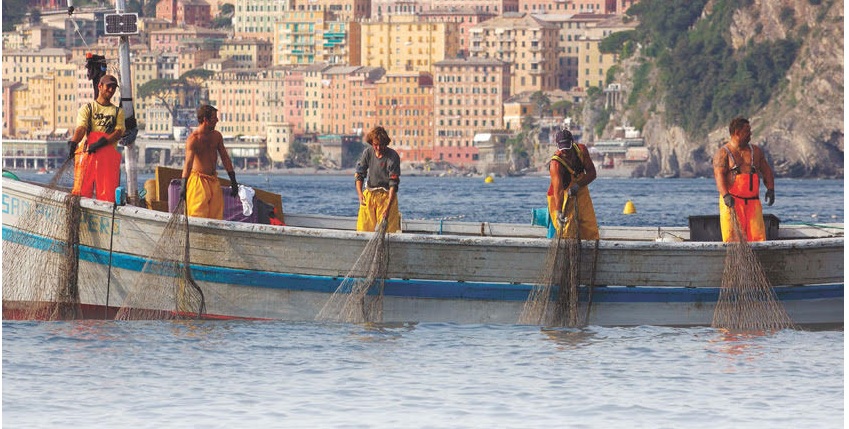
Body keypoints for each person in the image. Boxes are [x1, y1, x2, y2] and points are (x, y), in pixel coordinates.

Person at [713, 116, 775, 242]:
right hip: (732, 203)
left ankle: (756, 260)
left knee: (758, 238)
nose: (750, 134)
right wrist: (725, 195)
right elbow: (719, 176)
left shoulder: (756, 151)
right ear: (737, 133)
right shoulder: (723, 153)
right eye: (747, 131)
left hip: (753, 203)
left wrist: (770, 189)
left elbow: (766, 170)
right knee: (733, 238)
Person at [67, 74, 125, 202]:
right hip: (88, 154)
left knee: (108, 196)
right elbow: (81, 128)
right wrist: (73, 143)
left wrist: (102, 142)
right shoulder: (88, 108)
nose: (111, 90)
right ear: (100, 86)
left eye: (114, 88)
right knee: (80, 191)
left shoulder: (117, 112)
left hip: (107, 158)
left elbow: (118, 132)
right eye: (108, 86)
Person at [179, 104, 239, 219]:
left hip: (213, 180)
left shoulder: (216, 136)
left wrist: (233, 180)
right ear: (205, 120)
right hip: (198, 181)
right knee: (198, 216)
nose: (217, 120)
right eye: (214, 118)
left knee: (216, 216)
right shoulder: (193, 139)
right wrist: (183, 186)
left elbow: (225, 158)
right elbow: (188, 164)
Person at [547, 128, 599, 240]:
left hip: (580, 188)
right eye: (562, 148)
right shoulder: (555, 164)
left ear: (572, 142)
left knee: (589, 226)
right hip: (561, 195)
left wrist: (577, 185)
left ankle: (591, 250)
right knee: (567, 229)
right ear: (557, 146)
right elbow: (558, 191)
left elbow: (592, 173)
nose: (565, 151)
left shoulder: (582, 150)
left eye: (568, 147)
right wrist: (559, 212)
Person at [355, 126, 401, 232]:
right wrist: (360, 194)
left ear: (385, 143)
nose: (378, 148)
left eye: (381, 145)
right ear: (371, 143)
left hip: (387, 196)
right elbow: (359, 174)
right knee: (363, 229)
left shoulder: (393, 156)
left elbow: (393, 184)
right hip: (370, 194)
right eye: (376, 145)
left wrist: (388, 208)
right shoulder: (367, 153)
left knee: (388, 231)